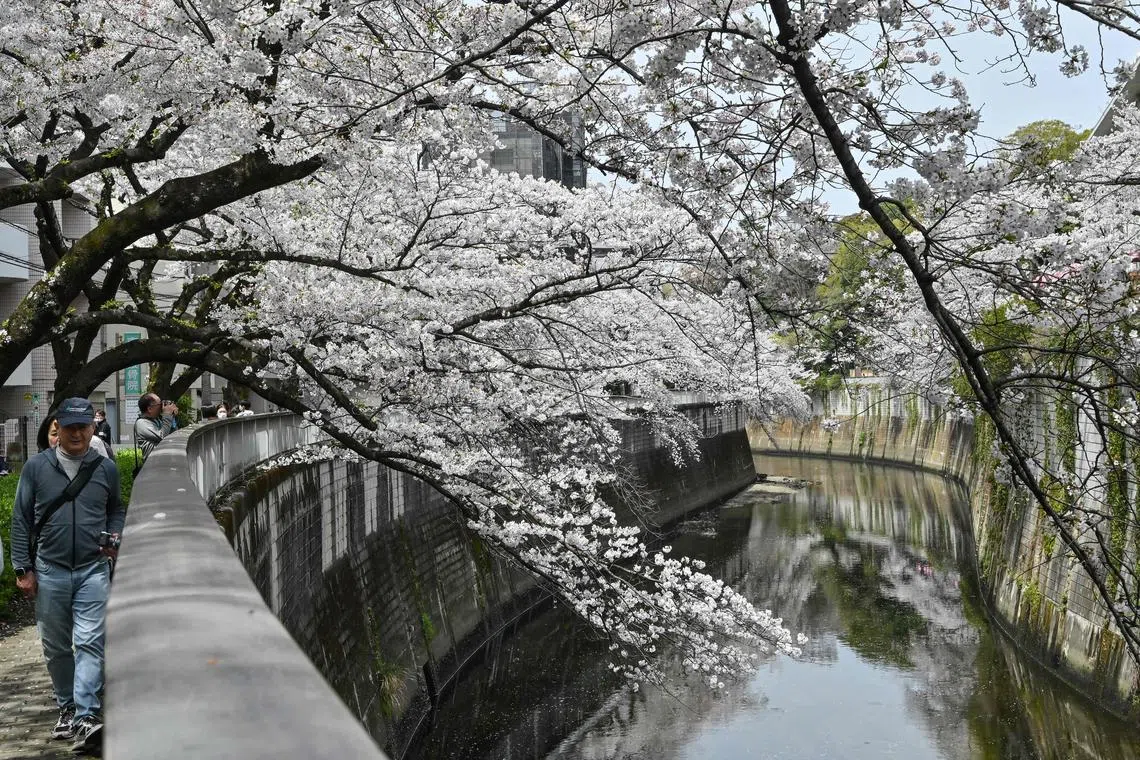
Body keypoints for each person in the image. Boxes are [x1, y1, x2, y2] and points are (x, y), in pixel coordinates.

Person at [8, 397, 123, 753]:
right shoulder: (36, 468)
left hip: (92, 568)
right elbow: (21, 519)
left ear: (92, 428)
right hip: (50, 570)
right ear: (57, 428)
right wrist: (22, 569)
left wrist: (114, 533)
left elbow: (115, 509)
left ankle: (86, 714)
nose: (76, 433)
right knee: (57, 647)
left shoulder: (106, 469)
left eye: (82, 427)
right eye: (69, 427)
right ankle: (67, 706)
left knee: (90, 642)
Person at [133, 393, 178, 461]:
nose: (162, 407)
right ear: (150, 409)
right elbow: (162, 437)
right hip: (153, 464)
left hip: (163, 461)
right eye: (159, 404)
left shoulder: (156, 420)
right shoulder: (141, 423)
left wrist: (172, 416)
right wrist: (167, 415)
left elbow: (172, 437)